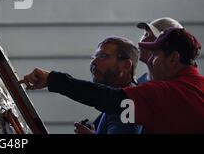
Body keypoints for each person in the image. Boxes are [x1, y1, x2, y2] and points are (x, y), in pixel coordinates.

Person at [20, 28, 204, 133]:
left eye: (155, 55)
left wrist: (52, 79)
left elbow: (110, 99)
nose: (150, 61)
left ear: (173, 59)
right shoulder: (196, 86)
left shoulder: (167, 92)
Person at [74, 37, 143, 134]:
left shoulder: (126, 103)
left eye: (103, 56)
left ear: (126, 65)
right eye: (94, 57)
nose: (93, 62)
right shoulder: (120, 98)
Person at [136, 17, 183, 83]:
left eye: (153, 39)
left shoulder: (176, 88)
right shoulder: (137, 83)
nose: (143, 41)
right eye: (146, 34)